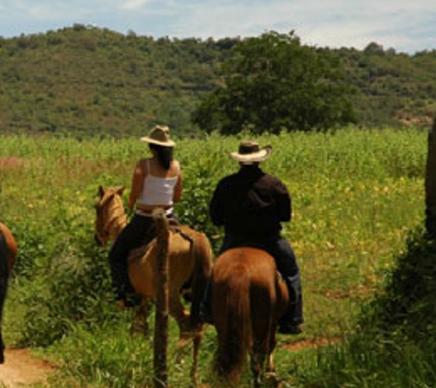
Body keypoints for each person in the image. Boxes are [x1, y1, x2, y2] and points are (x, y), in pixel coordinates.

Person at [203, 140, 304, 334]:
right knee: (291, 271)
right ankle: (293, 318)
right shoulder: (274, 184)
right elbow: (285, 216)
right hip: (269, 240)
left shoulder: (226, 184)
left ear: (239, 161)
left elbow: (216, 218)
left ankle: (207, 310)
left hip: (235, 240)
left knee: (216, 272)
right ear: (259, 160)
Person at [107, 125, 183, 307]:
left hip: (145, 218)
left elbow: (135, 193)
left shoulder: (144, 165)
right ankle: (188, 287)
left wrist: (131, 204)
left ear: (152, 148)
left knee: (116, 255)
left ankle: (126, 293)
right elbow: (177, 197)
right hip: (169, 216)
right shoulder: (176, 166)